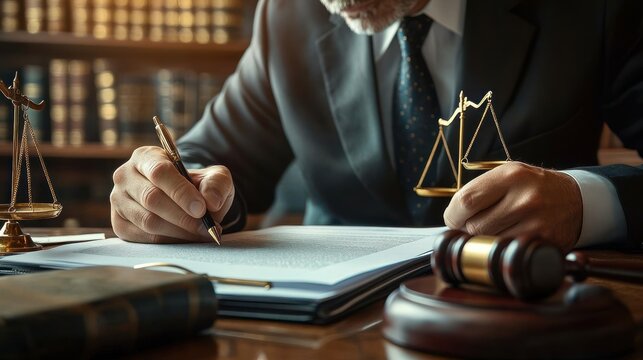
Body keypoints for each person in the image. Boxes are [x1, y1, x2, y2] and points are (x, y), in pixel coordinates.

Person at [110, 0, 643, 250]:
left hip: (524, 317)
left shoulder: (590, 11)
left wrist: (583, 204)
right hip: (327, 328)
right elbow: (211, 157)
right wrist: (165, 192)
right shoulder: (288, 15)